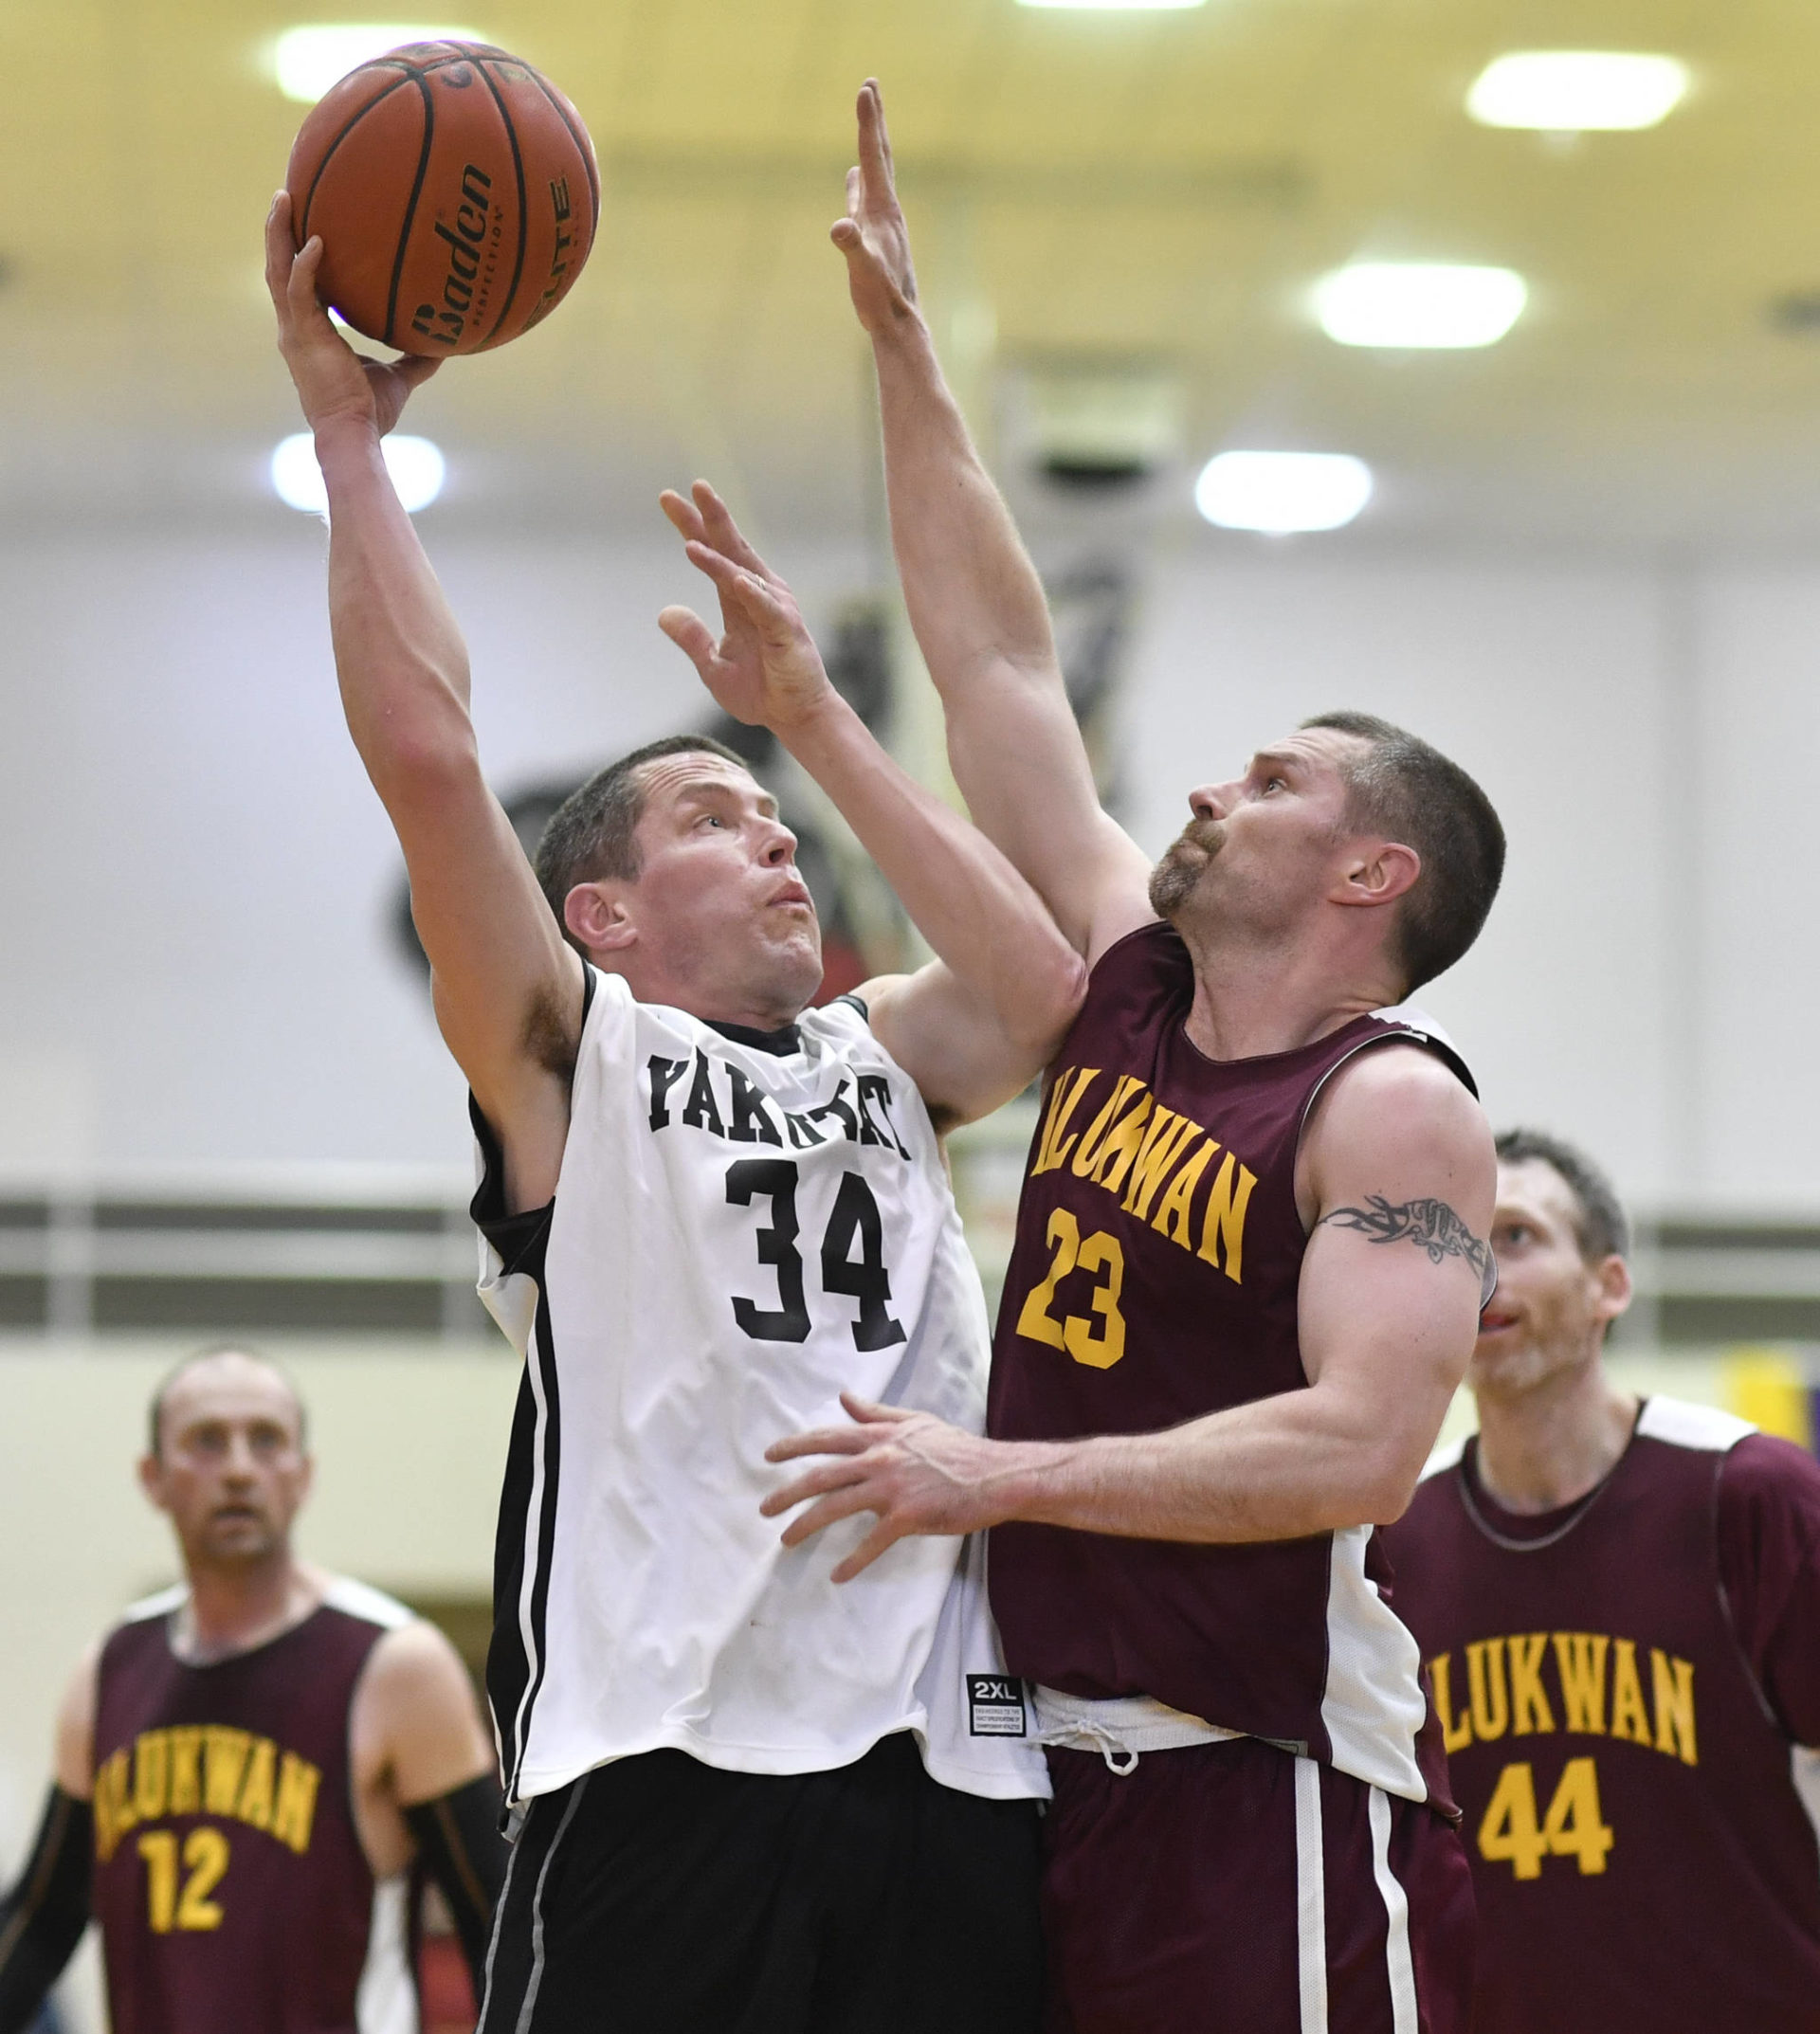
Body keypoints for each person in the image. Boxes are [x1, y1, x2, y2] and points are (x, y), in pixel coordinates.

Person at [264, 178, 1083, 2034]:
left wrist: (818, 721)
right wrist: (347, 443)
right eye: (717, 818)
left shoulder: (888, 1050)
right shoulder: (579, 1060)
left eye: (779, 821)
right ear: (603, 915)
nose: (780, 841)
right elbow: (428, 753)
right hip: (671, 1751)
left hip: (948, 1765)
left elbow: (1047, 997)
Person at [760, 82, 1505, 2033]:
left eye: (1271, 781)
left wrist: (1002, 1474)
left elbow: (1361, 1444)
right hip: (1042, 1773)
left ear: (1370, 870)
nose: (1205, 788)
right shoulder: (1133, 980)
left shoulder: (1389, 1104)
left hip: (1253, 1775)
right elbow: (1002, 671)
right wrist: (908, 357)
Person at [1381, 1131, 1820, 2033]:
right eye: (1453, 1244)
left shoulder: (1750, 1495)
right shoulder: (1392, 1540)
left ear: (1609, 1286)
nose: (1480, 1272)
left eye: (1516, 1236)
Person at [0, 1346, 505, 2034]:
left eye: (266, 1440)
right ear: (153, 1478)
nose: (239, 1468)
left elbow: (497, 1928)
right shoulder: (108, 1671)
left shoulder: (396, 1665)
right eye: (207, 1441)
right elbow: (40, 1922)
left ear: (302, 1475)